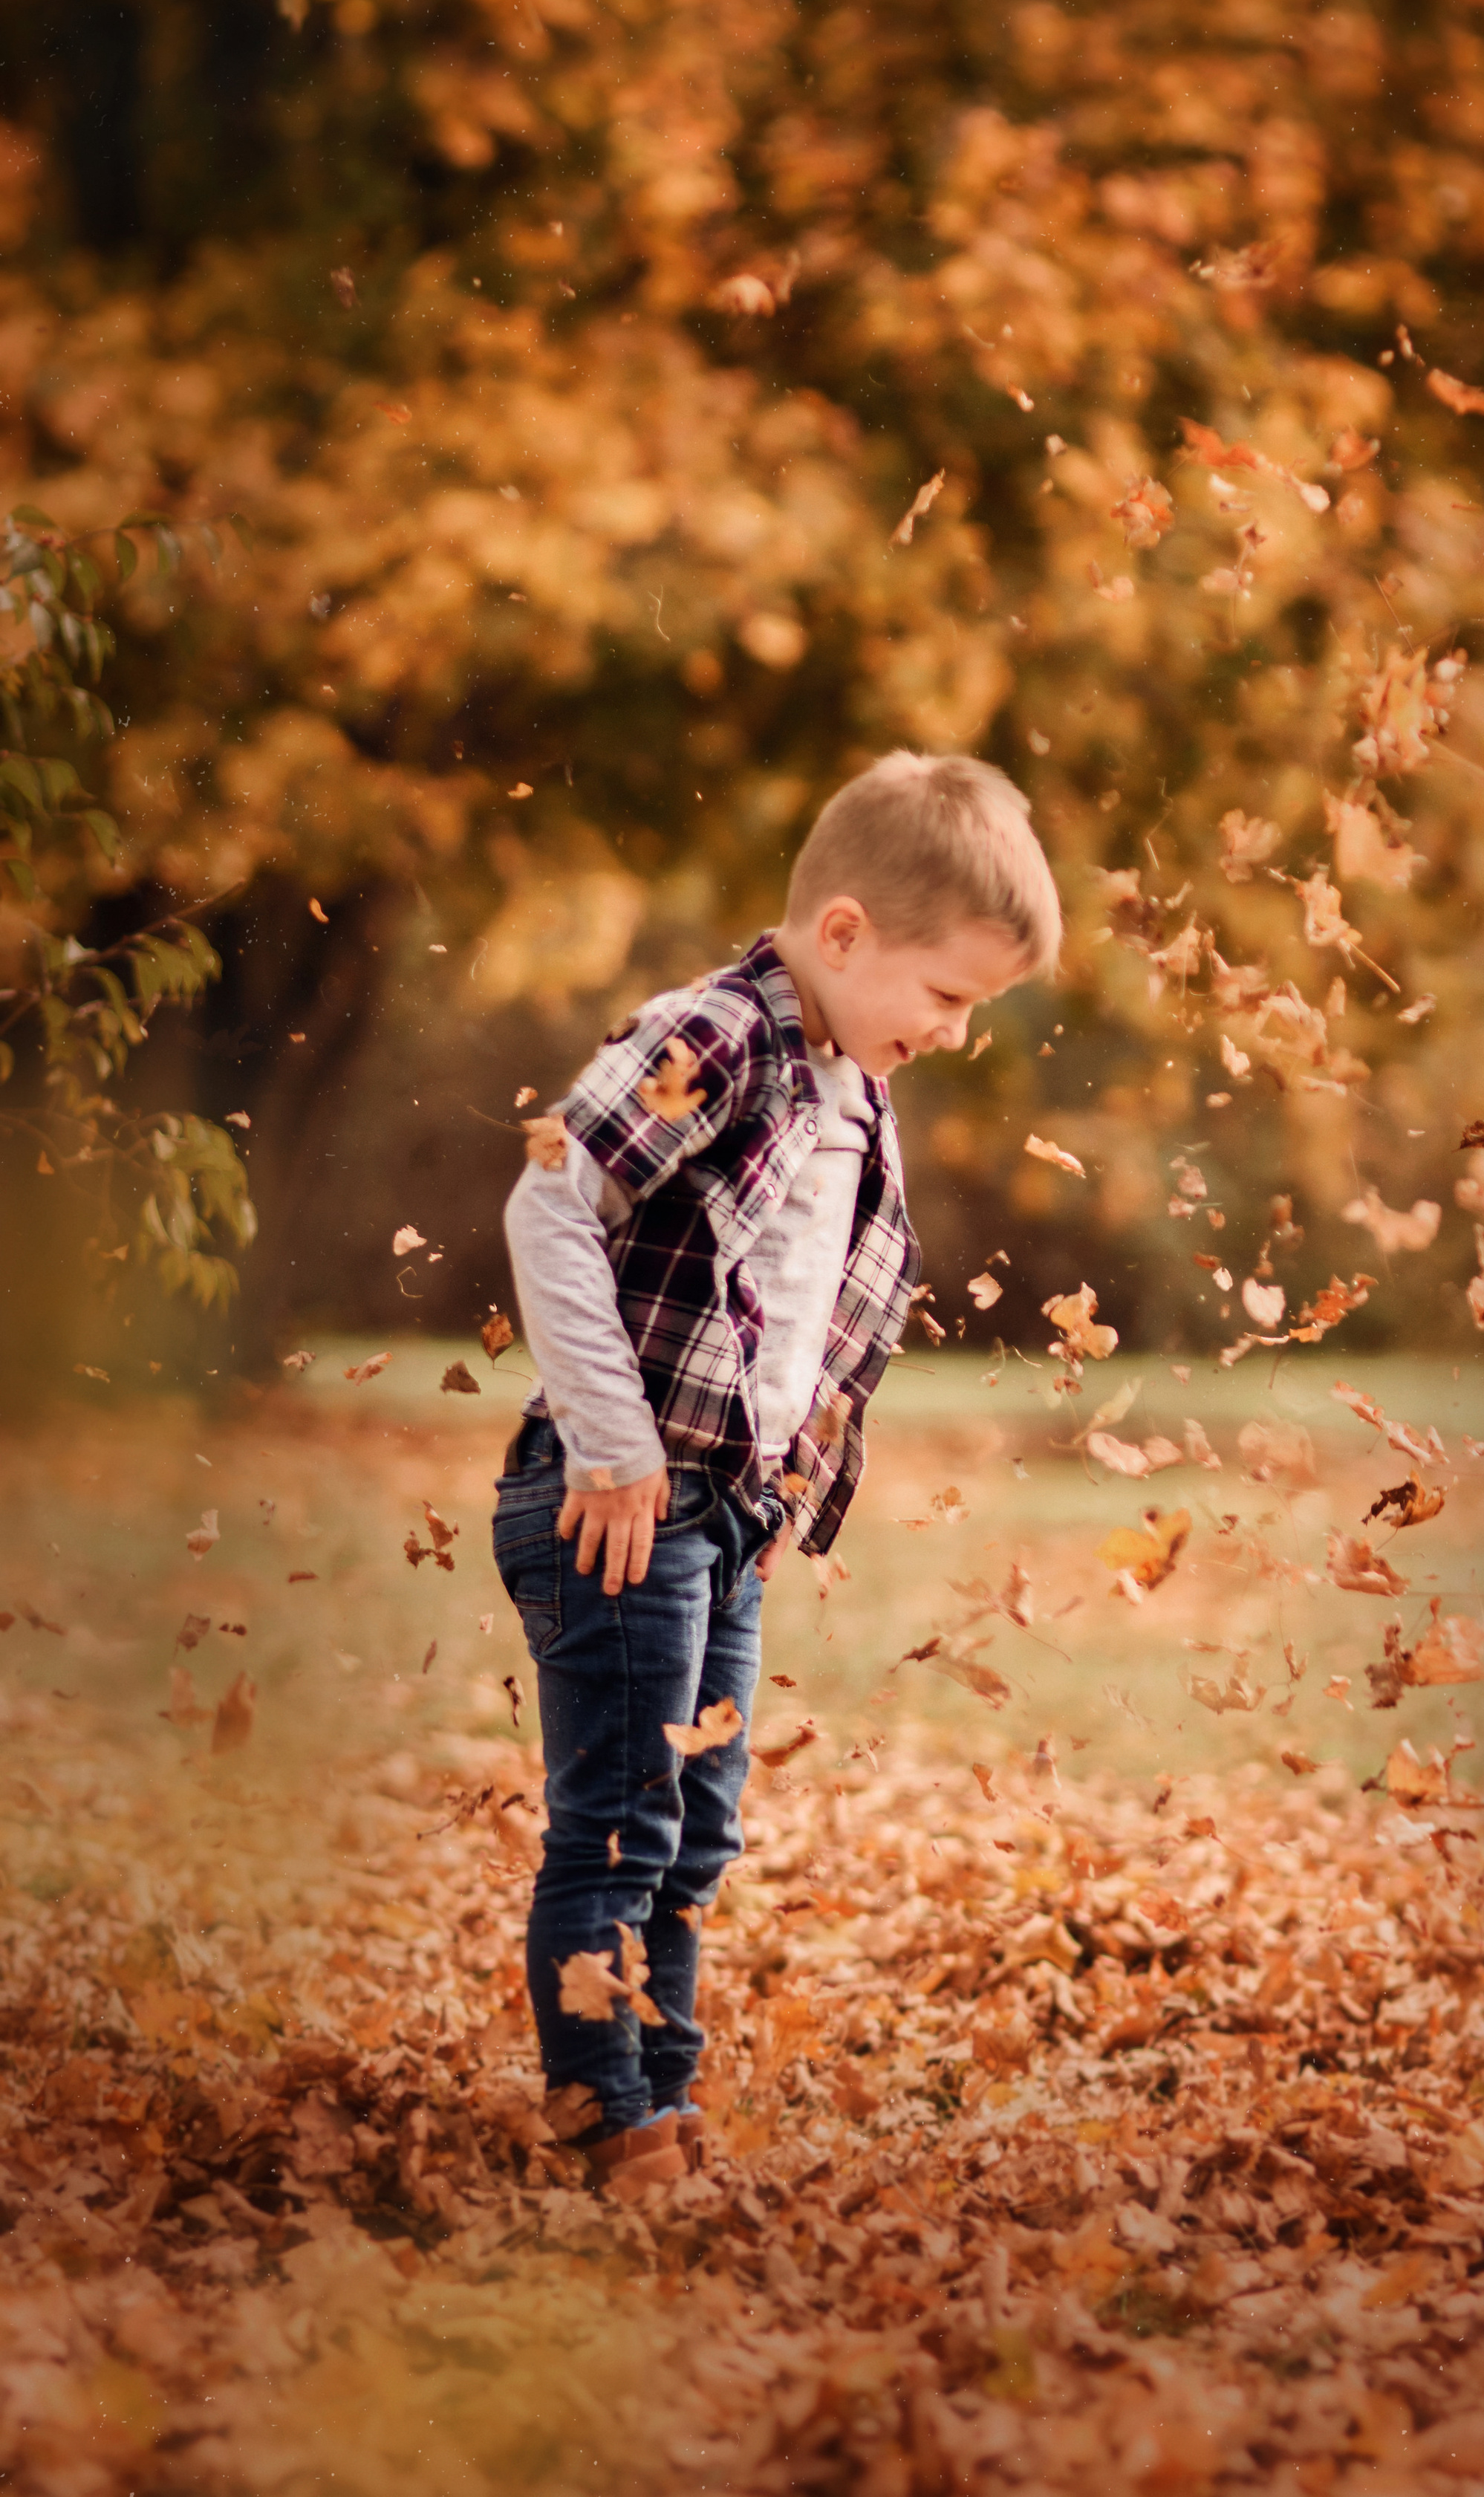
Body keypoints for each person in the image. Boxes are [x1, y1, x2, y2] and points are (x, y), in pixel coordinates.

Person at [492, 752, 1061, 2198]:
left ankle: (661, 2092)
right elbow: (550, 1199)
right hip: (618, 1499)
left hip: (722, 1514)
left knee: (695, 1827)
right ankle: (601, 2113)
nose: (952, 1031)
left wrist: (782, 1491)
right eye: (946, 994)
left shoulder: (854, 1087)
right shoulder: (715, 1037)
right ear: (848, 932)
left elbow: (811, 1317)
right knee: (618, 1818)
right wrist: (613, 1444)